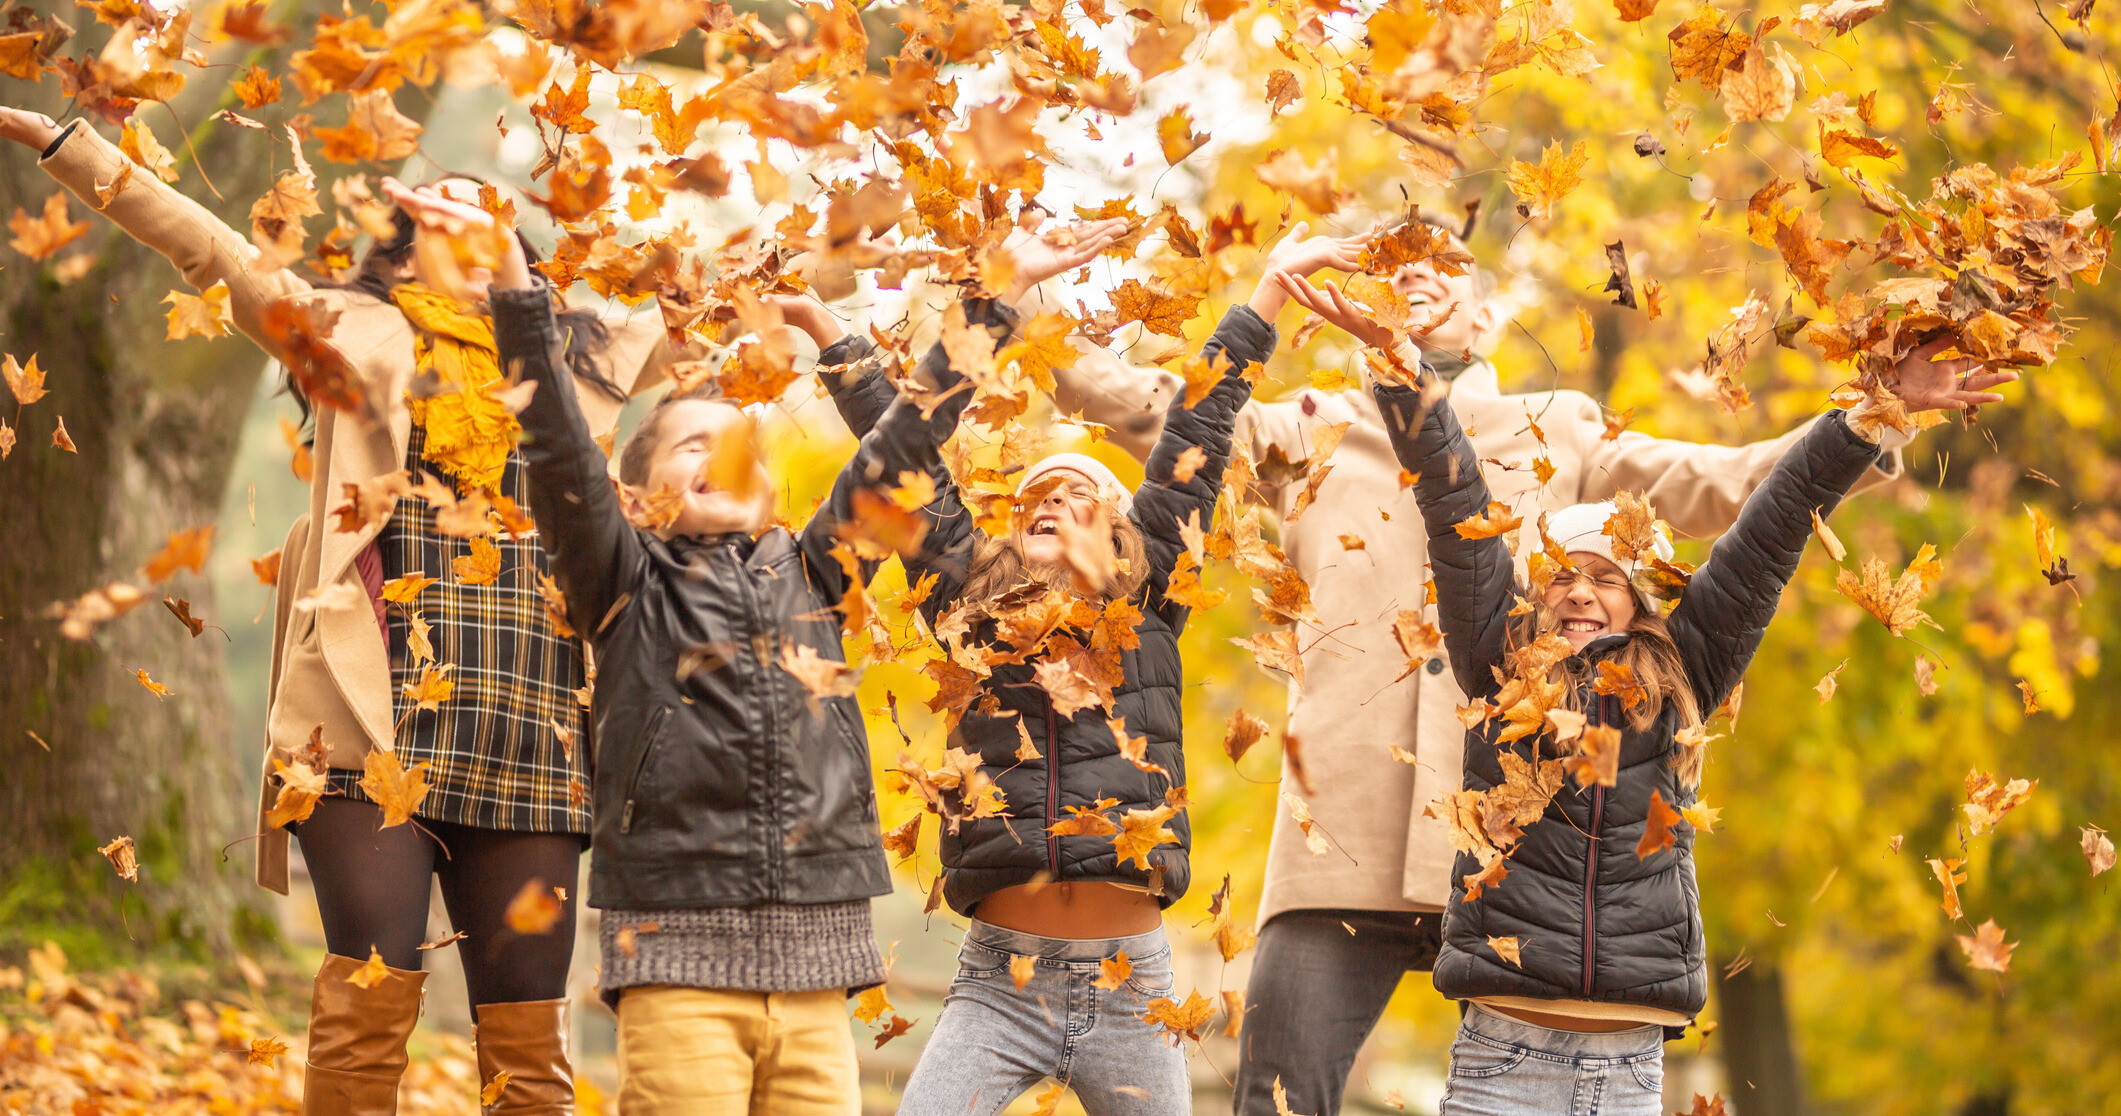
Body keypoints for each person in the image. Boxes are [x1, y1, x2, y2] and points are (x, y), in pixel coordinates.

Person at [0, 106, 863, 1115]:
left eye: (482, 217)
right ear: (399, 246)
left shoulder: (581, 347)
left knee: (527, 1037)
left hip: (531, 717)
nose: (458, 229)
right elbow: (207, 247)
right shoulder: (338, 325)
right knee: (371, 994)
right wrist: (68, 144)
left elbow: (740, 289)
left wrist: (865, 239)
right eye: (431, 218)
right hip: (366, 715)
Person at [1027, 212, 1910, 1115]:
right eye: (1391, 261)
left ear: (1486, 318)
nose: (1414, 273)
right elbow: (1154, 408)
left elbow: (1723, 483)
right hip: (1343, 835)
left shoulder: (1560, 428)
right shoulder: (1307, 427)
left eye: (1444, 263)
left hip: (1523, 849)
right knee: (1278, 1095)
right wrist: (1018, 295)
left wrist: (1876, 419)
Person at [401, 181, 1124, 1114]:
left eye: (739, 444)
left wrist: (993, 300)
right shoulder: (620, 579)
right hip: (675, 963)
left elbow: (905, 441)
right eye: (690, 444)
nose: (719, 457)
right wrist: (511, 283)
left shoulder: (817, 572)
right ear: (634, 496)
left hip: (819, 974)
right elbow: (556, 446)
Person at [1291, 265, 2011, 1109]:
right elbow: (1455, 507)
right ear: (1533, 593)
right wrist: (1403, 371)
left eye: (1606, 577)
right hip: (1502, 1058)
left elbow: (1772, 525)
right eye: (1562, 574)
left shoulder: (1684, 673)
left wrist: (1870, 415)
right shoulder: (1497, 659)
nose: (1580, 591)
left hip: (1626, 1068)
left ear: (1638, 602)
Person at [889, 225, 1354, 1116]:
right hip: (997, 984)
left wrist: (1265, 295)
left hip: (1130, 987)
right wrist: (990, 304)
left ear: (1121, 535)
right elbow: (902, 459)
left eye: (1081, 495)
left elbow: (1200, 428)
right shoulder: (968, 612)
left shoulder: (1149, 611)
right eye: (1035, 496)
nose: (1053, 502)